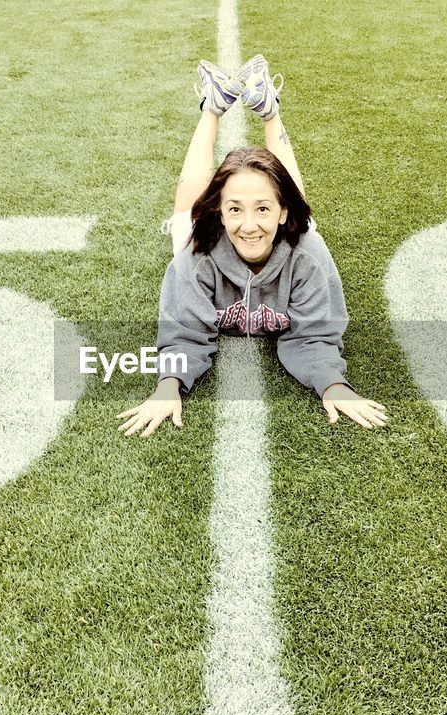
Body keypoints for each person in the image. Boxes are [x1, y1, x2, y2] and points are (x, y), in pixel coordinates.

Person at [117, 55, 388, 437]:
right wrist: (168, 386)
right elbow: (183, 332)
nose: (247, 226)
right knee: (187, 209)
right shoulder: (195, 256)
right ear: (222, 213)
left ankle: (269, 110)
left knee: (293, 203)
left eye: (264, 210)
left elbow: (316, 334)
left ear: (279, 214)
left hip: (290, 233)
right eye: (234, 210)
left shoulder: (308, 255)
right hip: (208, 238)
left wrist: (333, 383)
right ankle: (212, 107)